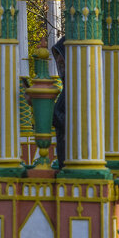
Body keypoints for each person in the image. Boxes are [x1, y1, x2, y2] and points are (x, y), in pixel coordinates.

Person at [51, 37, 67, 168]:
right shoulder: (68, 88)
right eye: (57, 56)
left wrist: (45, 107)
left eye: (61, 55)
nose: (58, 60)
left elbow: (69, 122)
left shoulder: (75, 87)